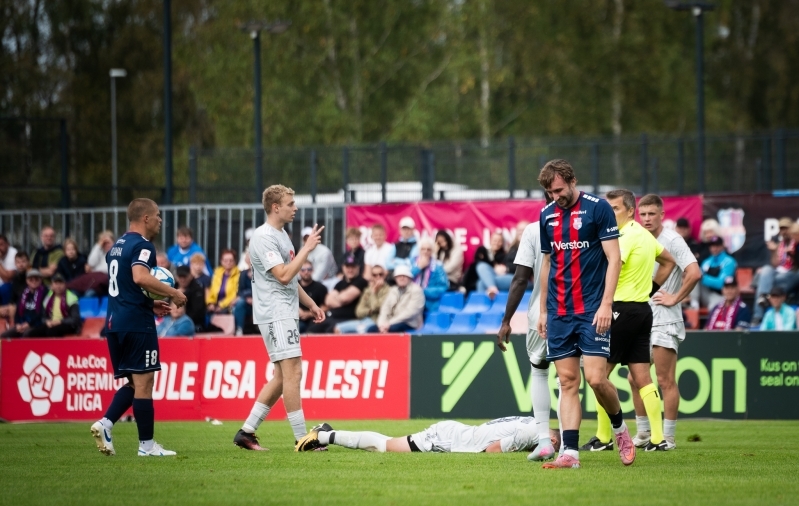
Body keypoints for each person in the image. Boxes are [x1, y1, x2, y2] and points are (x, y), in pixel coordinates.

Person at [535, 159, 629, 470]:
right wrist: (543, 310)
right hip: (559, 312)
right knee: (567, 381)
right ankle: (571, 454)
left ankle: (620, 428)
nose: (555, 197)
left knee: (596, 379)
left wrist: (606, 304)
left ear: (572, 181)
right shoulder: (547, 215)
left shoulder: (598, 208)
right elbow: (547, 263)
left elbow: (614, 258)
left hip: (592, 308)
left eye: (559, 190)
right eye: (550, 192)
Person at [90, 198, 187, 458]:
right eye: (157, 215)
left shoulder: (116, 247)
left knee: (134, 382)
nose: (160, 220)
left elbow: (125, 287)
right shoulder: (143, 245)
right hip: (136, 324)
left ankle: (106, 423)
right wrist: (173, 293)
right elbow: (140, 277)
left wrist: (149, 303)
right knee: (145, 383)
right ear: (145, 218)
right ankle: (147, 446)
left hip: (115, 323)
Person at [232, 185, 326, 451]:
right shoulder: (264, 237)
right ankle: (302, 439)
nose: (295, 208)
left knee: (282, 377)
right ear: (276, 207)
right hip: (275, 312)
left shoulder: (282, 235)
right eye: (290, 204)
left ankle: (246, 432)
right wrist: (307, 249)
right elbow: (283, 275)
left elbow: (290, 278)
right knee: (293, 372)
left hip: (283, 311)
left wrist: (311, 304)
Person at [581, 190, 676, 453]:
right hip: (642, 310)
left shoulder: (623, 237)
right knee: (643, 378)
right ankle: (658, 439)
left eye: (615, 209)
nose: (610, 213)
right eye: (608, 208)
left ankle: (604, 437)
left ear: (630, 210)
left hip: (619, 310)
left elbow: (614, 266)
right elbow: (668, 261)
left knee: (599, 376)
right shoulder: (644, 235)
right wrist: (650, 289)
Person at [632, 194, 702, 451]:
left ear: (662, 215)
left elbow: (694, 273)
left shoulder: (672, 240)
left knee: (664, 379)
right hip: (642, 318)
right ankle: (643, 432)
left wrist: (675, 298)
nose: (647, 218)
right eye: (643, 214)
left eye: (652, 213)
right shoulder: (637, 237)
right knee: (634, 379)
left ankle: (668, 437)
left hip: (665, 319)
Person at [496, 196, 558, 462]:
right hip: (571, 313)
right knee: (567, 380)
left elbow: (520, 279)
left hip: (540, 315)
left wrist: (506, 320)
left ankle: (544, 440)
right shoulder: (581, 226)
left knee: (540, 371)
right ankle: (568, 444)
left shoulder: (533, 230)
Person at [295, 417, 561, 455]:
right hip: (446, 438)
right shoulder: (531, 432)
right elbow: (492, 451)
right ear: (552, 440)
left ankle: (326, 432)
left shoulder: (533, 421)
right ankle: (324, 435)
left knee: (384, 444)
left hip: (454, 432)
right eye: (554, 447)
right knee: (382, 446)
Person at [305, 255, 367, 334]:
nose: (350, 269)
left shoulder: (361, 281)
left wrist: (338, 297)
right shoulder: (340, 283)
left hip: (347, 319)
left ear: (358, 267)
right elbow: (328, 301)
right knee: (311, 328)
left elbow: (344, 298)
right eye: (347, 267)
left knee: (330, 330)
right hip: (330, 317)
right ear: (343, 267)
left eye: (353, 267)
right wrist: (340, 299)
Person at [753, 218, 796, 323]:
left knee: (763, 281)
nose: (784, 231)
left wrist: (792, 255)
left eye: (786, 228)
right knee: (766, 269)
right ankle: (761, 304)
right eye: (781, 229)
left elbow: (796, 265)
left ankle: (763, 293)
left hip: (793, 273)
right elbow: (775, 264)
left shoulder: (796, 243)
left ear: (792, 229)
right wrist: (773, 251)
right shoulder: (780, 244)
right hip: (780, 273)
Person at [367, 264, 425, 333]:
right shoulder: (393, 290)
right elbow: (385, 308)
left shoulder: (416, 290)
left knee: (392, 329)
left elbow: (410, 313)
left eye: (404, 276)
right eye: (399, 276)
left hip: (410, 322)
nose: (401, 278)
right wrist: (381, 324)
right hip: (392, 322)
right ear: (395, 278)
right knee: (371, 329)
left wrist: (389, 323)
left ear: (409, 278)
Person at [336, 263, 390, 334]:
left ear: (384, 275)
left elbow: (377, 307)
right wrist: (370, 311)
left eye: (380, 274)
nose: (378, 277)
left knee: (362, 330)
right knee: (338, 328)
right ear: (371, 276)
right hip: (364, 320)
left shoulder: (388, 290)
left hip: (377, 321)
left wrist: (373, 293)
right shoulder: (367, 289)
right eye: (375, 275)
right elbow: (359, 311)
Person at [1, 269, 47, 338]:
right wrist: (17, 324)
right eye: (31, 279)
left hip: (37, 324)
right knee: (4, 336)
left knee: (26, 334)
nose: (34, 281)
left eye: (36, 279)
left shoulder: (45, 293)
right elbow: (17, 312)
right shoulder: (23, 293)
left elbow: (42, 313)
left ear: (40, 280)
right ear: (27, 281)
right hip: (22, 324)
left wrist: (29, 324)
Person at [696, 236, 737, 310]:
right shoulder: (707, 261)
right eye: (712, 246)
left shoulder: (729, 261)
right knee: (694, 275)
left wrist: (703, 278)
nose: (714, 248)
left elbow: (721, 284)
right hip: (705, 293)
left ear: (722, 246)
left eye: (717, 246)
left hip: (720, 295)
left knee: (714, 308)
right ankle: (693, 303)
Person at [411, 238, 448, 312]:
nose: (425, 251)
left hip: (429, 302)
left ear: (432, 251)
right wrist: (419, 267)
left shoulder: (437, 266)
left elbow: (443, 287)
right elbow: (404, 279)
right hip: (411, 299)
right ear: (419, 250)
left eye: (429, 249)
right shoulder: (411, 262)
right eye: (423, 249)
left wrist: (423, 291)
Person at [206, 249, 240, 314]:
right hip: (215, 305)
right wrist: (211, 303)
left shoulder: (239, 274)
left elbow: (235, 294)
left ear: (235, 261)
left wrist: (221, 305)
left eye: (231, 260)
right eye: (225, 260)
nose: (228, 262)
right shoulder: (217, 273)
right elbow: (211, 291)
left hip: (229, 306)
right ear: (221, 261)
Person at [297, 261, 328, 333]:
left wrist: (308, 314)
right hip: (296, 319)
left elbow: (326, 306)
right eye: (303, 270)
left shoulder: (320, 287)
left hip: (314, 320)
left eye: (309, 269)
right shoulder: (293, 286)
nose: (306, 272)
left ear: (313, 270)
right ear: (298, 271)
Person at [0, 252, 30, 324]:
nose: (21, 265)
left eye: (23, 262)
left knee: (12, 309)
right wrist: (6, 307)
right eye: (18, 262)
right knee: (3, 310)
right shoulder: (16, 278)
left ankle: (13, 328)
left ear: (28, 262)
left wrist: (14, 306)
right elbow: (12, 297)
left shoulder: (31, 277)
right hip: (16, 305)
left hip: (28, 306)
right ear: (15, 264)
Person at [233, 253, 253, 336]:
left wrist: (253, 298)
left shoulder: (262, 273)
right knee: (240, 303)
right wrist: (247, 298)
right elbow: (240, 290)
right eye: (249, 258)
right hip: (247, 301)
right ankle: (239, 328)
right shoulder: (243, 273)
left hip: (261, 300)